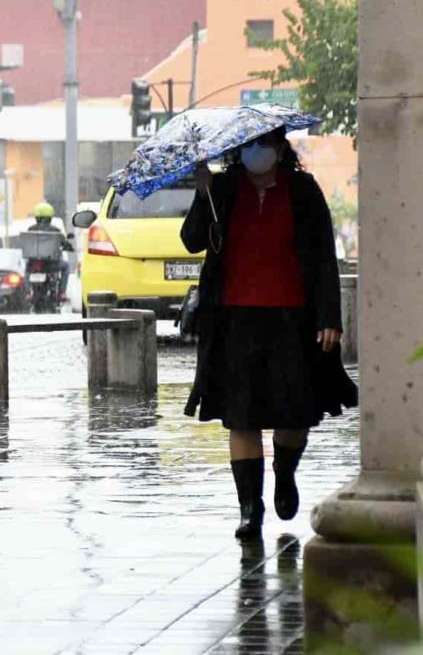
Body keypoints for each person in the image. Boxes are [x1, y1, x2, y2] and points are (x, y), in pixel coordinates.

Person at [181, 128, 357, 540]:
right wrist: (201, 192)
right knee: (240, 417)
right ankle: (249, 508)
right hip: (234, 321)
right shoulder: (222, 188)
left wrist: (329, 317)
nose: (253, 152)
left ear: (279, 149)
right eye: (246, 145)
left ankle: (284, 471)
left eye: (261, 144)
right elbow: (191, 241)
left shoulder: (303, 190)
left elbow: (322, 259)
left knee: (294, 414)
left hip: (292, 320)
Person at [29, 202, 74, 300]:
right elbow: (64, 242)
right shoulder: (55, 230)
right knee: (66, 266)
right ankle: (62, 292)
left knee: (26, 270)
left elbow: (26, 243)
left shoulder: (30, 230)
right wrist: (69, 247)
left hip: (34, 263)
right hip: (52, 264)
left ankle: (29, 292)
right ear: (50, 217)